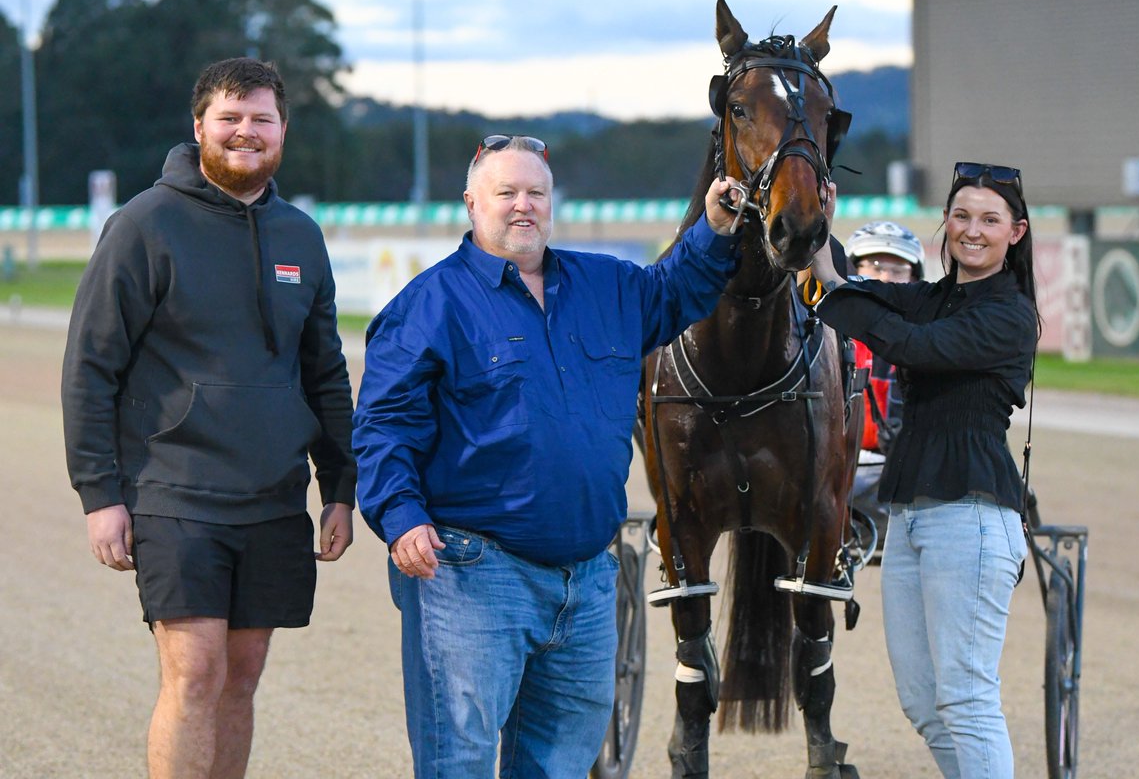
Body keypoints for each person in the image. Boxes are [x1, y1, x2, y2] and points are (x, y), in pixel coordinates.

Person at [352, 134, 743, 777]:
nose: (522, 206)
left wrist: (717, 227)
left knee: (559, 765)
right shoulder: (427, 306)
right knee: (461, 761)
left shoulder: (608, 286)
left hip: (588, 579)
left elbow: (678, 291)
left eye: (535, 192)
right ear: (472, 203)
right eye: (506, 192)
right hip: (472, 574)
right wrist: (400, 516)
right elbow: (384, 425)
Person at [61, 57, 356, 778]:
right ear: (199, 128)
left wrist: (340, 487)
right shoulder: (144, 225)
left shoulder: (301, 237)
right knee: (194, 674)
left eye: (261, 119)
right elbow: (89, 366)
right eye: (229, 118)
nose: (245, 133)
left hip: (273, 496)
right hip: (175, 493)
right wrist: (101, 496)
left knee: (242, 675)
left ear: (282, 130)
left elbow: (324, 372)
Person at [811, 163, 1037, 778]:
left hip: (973, 516)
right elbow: (851, 287)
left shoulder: (1010, 314)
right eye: (961, 215)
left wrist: (848, 299)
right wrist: (819, 228)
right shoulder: (935, 298)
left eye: (990, 219)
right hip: (908, 517)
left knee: (966, 700)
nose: (972, 230)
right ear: (944, 222)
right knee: (923, 703)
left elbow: (915, 348)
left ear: (1015, 232)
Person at [843, 221, 925, 553]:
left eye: (898, 269)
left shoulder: (925, 339)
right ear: (853, 270)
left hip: (901, 474)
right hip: (838, 471)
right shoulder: (830, 334)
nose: (887, 278)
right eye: (875, 267)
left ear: (915, 279)